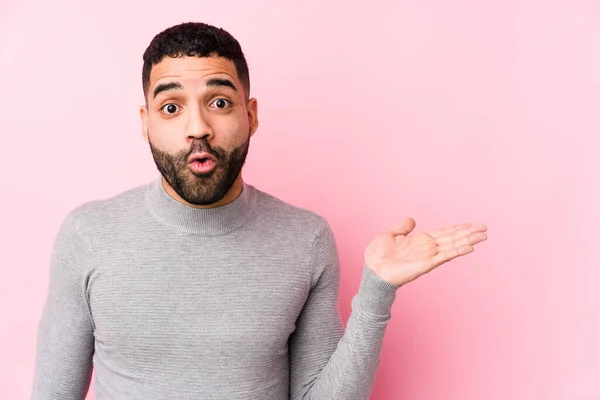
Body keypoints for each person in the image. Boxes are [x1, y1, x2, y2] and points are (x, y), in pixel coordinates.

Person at [30, 22, 487, 400]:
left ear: (250, 115)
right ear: (146, 122)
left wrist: (377, 292)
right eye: (171, 107)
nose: (198, 128)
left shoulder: (305, 239)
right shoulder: (88, 234)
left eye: (220, 102)